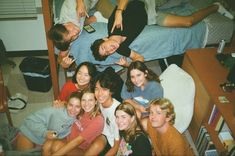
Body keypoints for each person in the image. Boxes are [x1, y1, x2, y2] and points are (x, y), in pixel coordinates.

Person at [91, 0, 233, 67]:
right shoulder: (121, 49)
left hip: (144, 2)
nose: (110, 50)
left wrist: (119, 11)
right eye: (108, 53)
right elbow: (139, 57)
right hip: (151, 16)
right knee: (188, 23)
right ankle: (216, 7)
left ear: (104, 38)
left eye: (104, 47)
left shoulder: (114, 24)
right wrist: (128, 65)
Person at [42, 89, 104, 156]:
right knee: (47, 145)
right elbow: (71, 103)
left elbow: (77, 142)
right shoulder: (82, 110)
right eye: (83, 100)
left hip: (80, 148)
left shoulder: (98, 120)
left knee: (56, 147)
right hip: (68, 139)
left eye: (90, 100)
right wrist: (61, 103)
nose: (86, 104)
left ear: (96, 102)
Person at [16, 92, 82, 151]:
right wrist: (44, 133)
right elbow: (29, 120)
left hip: (44, 141)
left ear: (81, 108)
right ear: (67, 104)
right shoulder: (54, 111)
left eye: (77, 106)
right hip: (29, 134)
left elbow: (57, 133)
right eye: (70, 105)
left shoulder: (77, 119)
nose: (73, 109)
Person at [48, 0, 102, 68]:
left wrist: (79, 2)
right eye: (72, 38)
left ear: (64, 24)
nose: (75, 33)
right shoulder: (65, 37)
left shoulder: (71, 9)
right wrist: (63, 63)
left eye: (69, 31)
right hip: (90, 7)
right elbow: (61, 55)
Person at [84, 71, 121, 156]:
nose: (99, 93)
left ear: (111, 91)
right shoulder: (100, 101)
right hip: (103, 133)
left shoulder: (117, 113)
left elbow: (116, 145)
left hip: (112, 144)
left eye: (104, 89)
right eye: (97, 89)